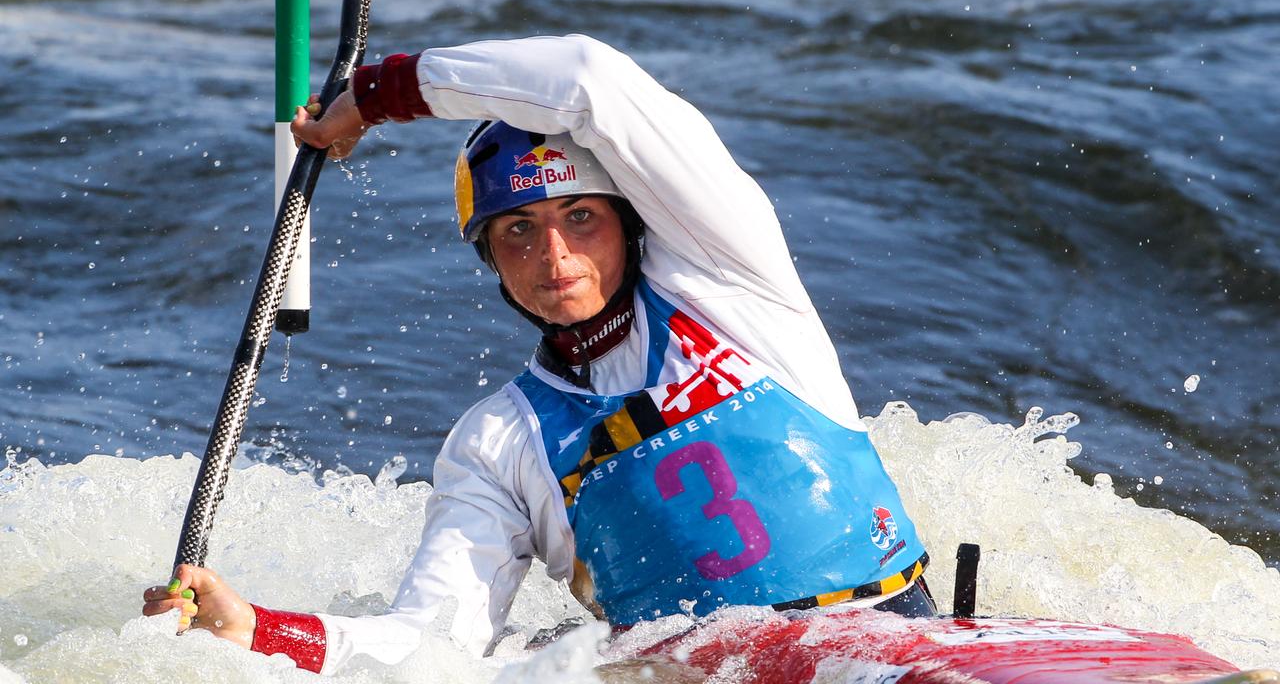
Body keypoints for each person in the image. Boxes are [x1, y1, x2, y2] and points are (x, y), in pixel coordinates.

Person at [143, 34, 933, 675]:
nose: (553, 253)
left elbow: (590, 78)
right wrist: (254, 630)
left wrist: (378, 98)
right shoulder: (500, 444)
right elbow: (429, 651)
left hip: (891, 642)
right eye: (517, 229)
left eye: (580, 216)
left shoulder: (734, 288)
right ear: (490, 257)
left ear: (628, 224)